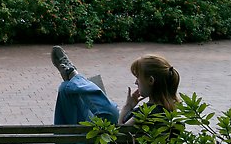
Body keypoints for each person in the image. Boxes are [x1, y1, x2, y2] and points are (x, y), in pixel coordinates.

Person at [51, 45, 180, 126]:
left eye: (138, 78)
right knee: (65, 88)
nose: (136, 82)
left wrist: (126, 107)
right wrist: (129, 106)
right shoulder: (166, 110)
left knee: (109, 112)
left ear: (151, 81)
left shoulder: (149, 114)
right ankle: (74, 78)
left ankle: (75, 76)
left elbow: (119, 133)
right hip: (96, 143)